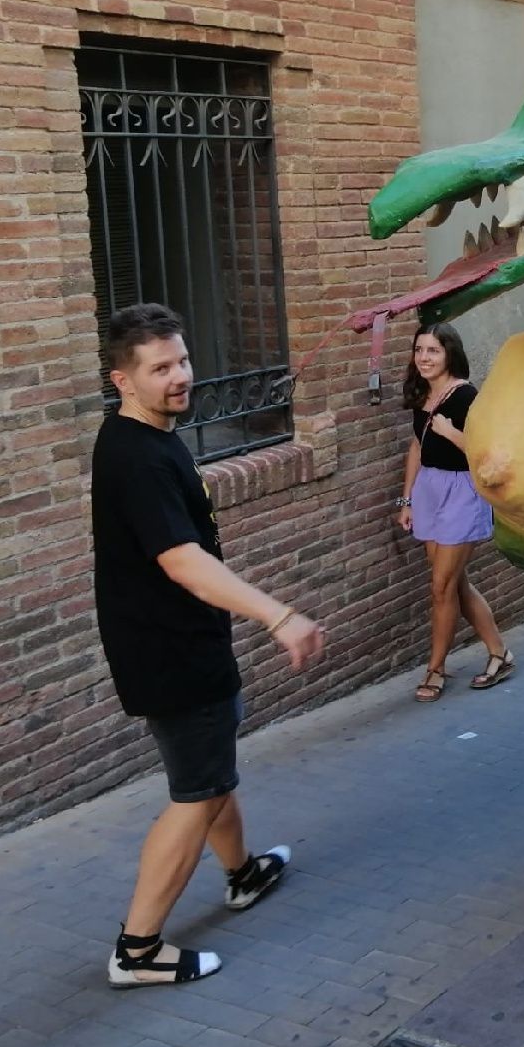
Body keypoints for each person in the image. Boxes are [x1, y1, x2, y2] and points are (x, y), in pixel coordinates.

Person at [92, 303, 325, 989]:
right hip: (172, 652)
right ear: (122, 380)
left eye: (183, 360)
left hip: (179, 642)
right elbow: (182, 561)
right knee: (195, 791)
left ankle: (242, 871)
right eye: (159, 368)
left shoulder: (145, 439)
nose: (179, 377)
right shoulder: (136, 455)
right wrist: (278, 614)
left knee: (211, 769)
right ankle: (138, 949)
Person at [397, 323, 514, 702]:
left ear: (449, 354)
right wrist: (407, 499)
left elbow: (487, 452)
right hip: (429, 489)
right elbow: (416, 447)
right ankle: (500, 653)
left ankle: (435, 670)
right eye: (419, 350)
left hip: (462, 490)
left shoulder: (466, 397)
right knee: (453, 584)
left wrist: (450, 433)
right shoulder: (422, 394)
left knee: (441, 586)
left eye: (433, 351)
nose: (424, 358)